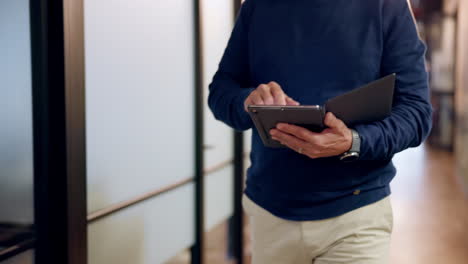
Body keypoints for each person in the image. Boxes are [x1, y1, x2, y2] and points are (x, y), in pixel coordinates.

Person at [208, 0, 432, 263]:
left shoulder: (386, 6)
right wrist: (248, 101)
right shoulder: (258, 7)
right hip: (270, 213)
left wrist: (354, 142)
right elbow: (221, 91)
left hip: (355, 215)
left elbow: (416, 112)